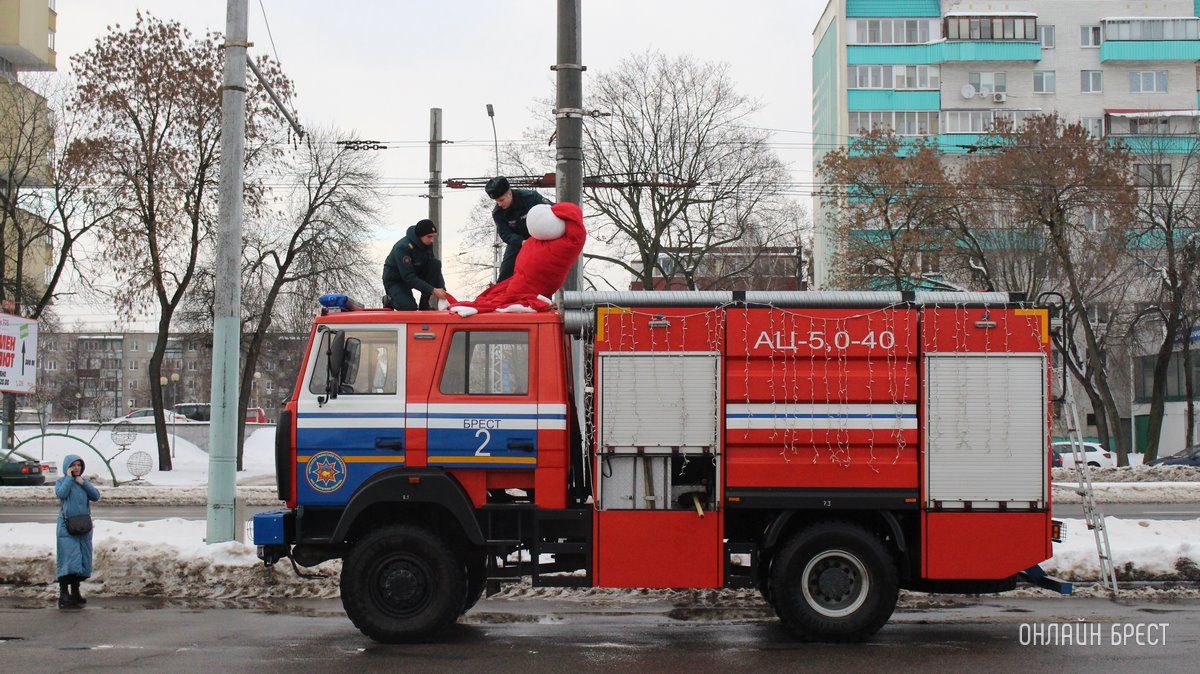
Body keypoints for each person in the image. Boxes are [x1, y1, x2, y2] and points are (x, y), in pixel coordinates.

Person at [486, 176, 553, 282]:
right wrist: (521, 242)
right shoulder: (498, 213)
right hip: (518, 241)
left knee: (542, 272)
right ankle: (501, 295)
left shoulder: (531, 197)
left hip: (541, 237)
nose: (499, 204)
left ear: (509, 193)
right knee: (506, 272)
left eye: (501, 200)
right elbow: (505, 234)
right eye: (497, 201)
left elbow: (552, 210)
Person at [55, 454, 100, 609]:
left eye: (79, 465)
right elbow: (61, 494)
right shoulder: (61, 482)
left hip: (83, 526)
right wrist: (69, 478)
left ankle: (75, 592)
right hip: (67, 527)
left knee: (80, 561)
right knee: (68, 560)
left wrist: (84, 483)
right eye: (73, 465)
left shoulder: (83, 483)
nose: (76, 468)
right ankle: (63, 593)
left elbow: (96, 496)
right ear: (67, 467)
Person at [383, 219, 448, 311]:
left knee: (435, 264)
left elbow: (434, 268)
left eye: (433, 237)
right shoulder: (402, 248)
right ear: (420, 236)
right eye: (429, 237)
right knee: (409, 308)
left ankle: (424, 305)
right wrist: (433, 290)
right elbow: (408, 277)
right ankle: (389, 300)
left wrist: (442, 290)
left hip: (415, 274)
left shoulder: (427, 243)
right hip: (397, 280)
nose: (432, 240)